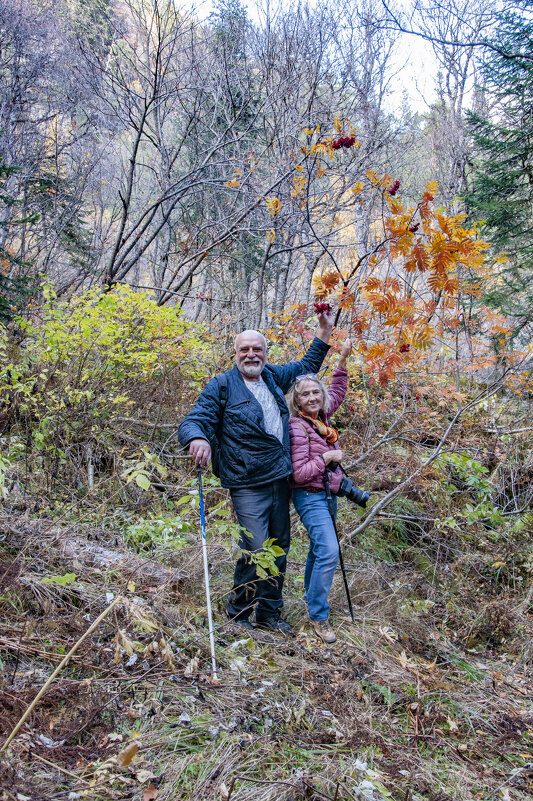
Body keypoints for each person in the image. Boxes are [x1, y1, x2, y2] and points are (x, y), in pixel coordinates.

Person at [177, 310, 334, 633]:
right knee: (255, 549)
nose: (251, 355)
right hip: (247, 483)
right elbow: (196, 419)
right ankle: (238, 612)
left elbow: (306, 367)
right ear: (235, 354)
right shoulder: (221, 386)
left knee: (279, 548)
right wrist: (197, 439)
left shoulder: (272, 376)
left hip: (280, 478)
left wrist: (324, 331)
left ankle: (269, 615)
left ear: (265, 353)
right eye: (244, 350)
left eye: (257, 349)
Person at [287, 338, 352, 644]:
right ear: (297, 401)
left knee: (318, 549)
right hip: (309, 496)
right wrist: (325, 458)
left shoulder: (322, 420)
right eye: (305, 394)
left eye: (316, 392)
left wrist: (342, 360)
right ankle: (318, 615)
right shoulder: (297, 427)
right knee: (328, 550)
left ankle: (310, 598)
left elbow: (337, 391)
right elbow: (298, 474)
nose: (312, 397)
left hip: (328, 493)